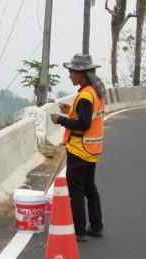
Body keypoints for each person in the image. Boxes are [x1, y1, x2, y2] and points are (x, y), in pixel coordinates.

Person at [51, 53, 107, 241]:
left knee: (76, 192)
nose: (69, 76)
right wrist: (71, 112)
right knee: (90, 188)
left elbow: (83, 124)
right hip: (92, 150)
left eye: (71, 72)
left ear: (81, 73)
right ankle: (96, 225)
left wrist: (61, 120)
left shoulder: (85, 95)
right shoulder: (95, 92)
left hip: (79, 149)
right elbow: (86, 117)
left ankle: (79, 230)